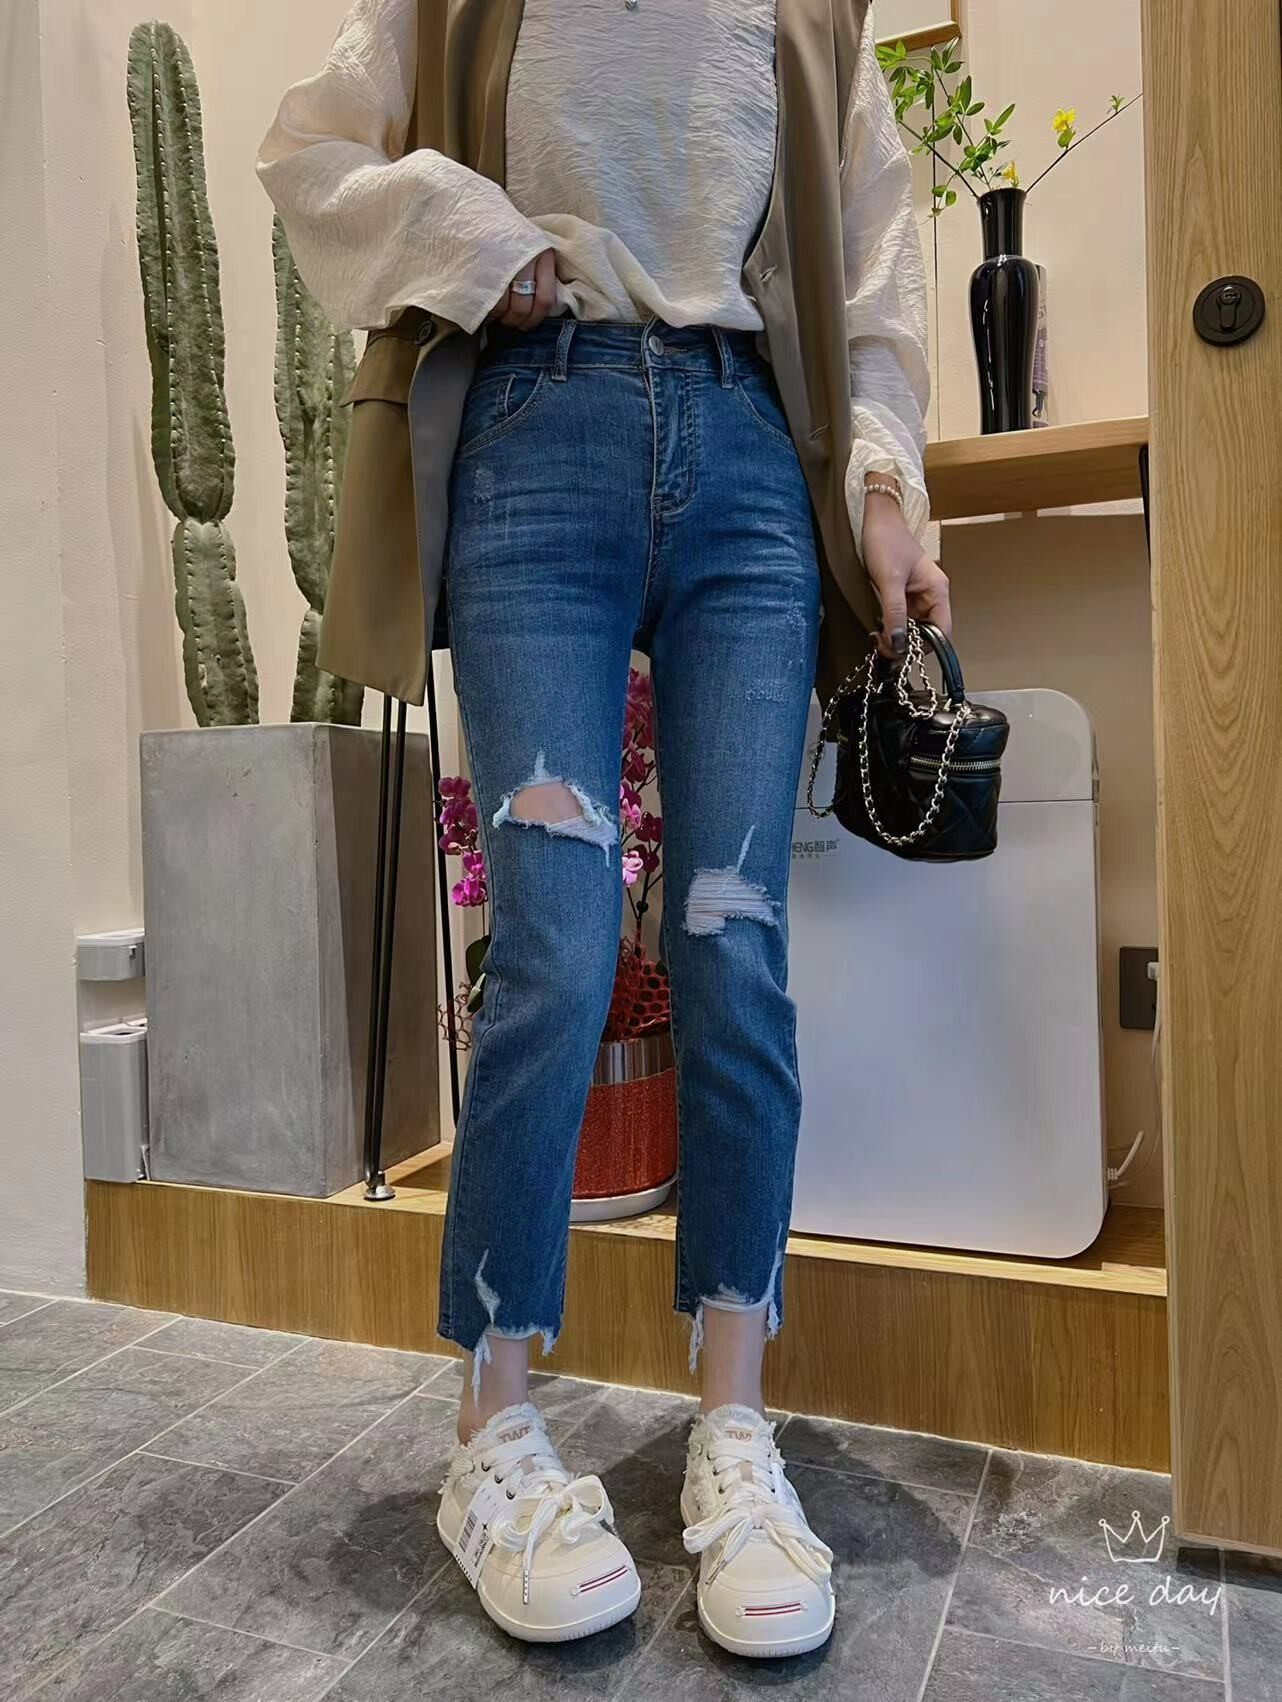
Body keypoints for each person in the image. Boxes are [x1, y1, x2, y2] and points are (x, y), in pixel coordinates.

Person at [259, 0, 949, 1660]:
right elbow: (309, 147)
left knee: (734, 947)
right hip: (534, 439)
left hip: (746, 455)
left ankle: (733, 1425)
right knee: (556, 949)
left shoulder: (809, 10)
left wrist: (882, 485)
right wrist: (478, 242)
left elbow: (870, 259)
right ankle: (492, 1431)